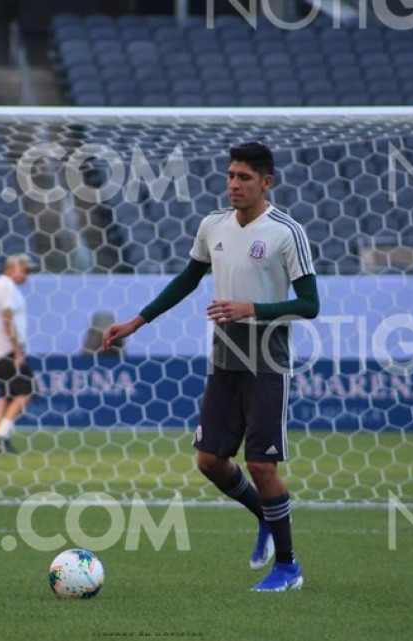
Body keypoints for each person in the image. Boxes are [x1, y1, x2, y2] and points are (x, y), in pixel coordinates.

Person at [103, 143, 318, 592]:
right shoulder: (212, 225)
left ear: (266, 182)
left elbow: (310, 305)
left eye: (244, 177)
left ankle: (288, 567)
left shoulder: (285, 232)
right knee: (209, 461)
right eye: (231, 176)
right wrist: (137, 321)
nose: (234, 184)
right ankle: (265, 514)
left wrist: (250, 309)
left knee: (261, 465)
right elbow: (187, 278)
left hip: (267, 363)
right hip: (225, 360)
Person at [0, 254, 34, 454]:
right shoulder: (6, 286)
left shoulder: (0, 285)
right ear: (12, 267)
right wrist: (17, 349)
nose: (28, 276)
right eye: (26, 271)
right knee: (27, 391)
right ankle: (0, 434)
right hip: (6, 349)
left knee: (5, 395)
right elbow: (7, 318)